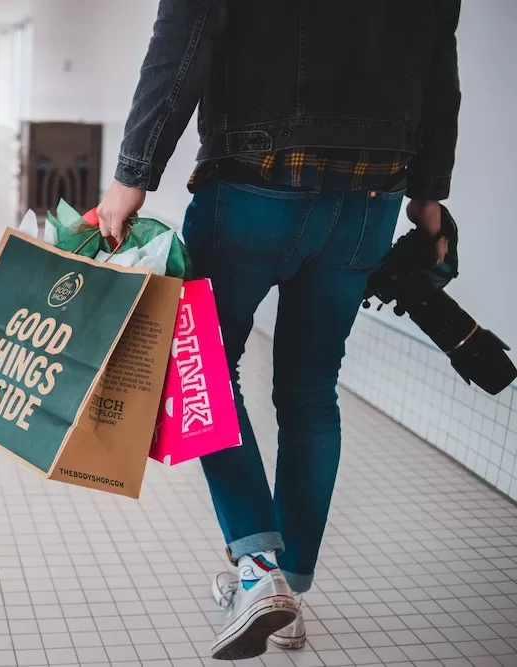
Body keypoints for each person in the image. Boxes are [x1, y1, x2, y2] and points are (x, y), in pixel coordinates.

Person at [98, 0, 461, 660]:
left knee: (202, 365)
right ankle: (290, 591)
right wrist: (429, 198)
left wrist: (133, 175)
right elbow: (441, 65)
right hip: (371, 197)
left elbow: (183, 38)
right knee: (311, 390)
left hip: (252, 184)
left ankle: (258, 570)